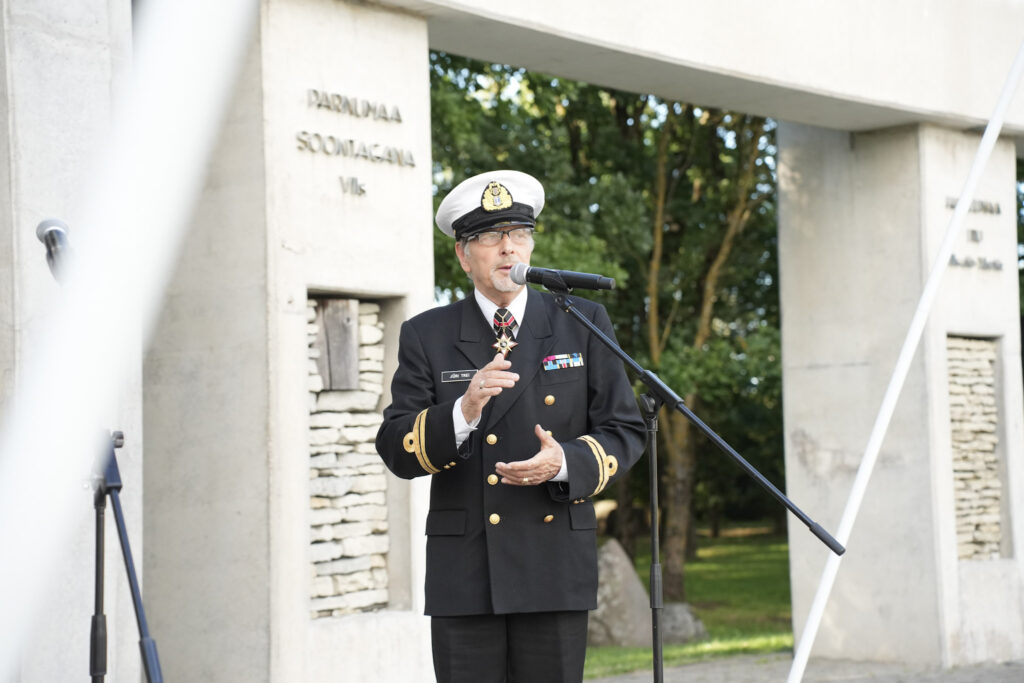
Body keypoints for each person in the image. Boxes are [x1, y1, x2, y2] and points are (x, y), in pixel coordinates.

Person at [375, 170, 645, 683]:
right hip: (466, 572)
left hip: (553, 565)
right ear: (463, 255)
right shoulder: (427, 334)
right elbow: (395, 446)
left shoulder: (581, 321)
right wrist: (463, 411)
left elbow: (624, 429)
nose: (508, 247)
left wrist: (564, 462)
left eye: (519, 233)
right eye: (489, 236)